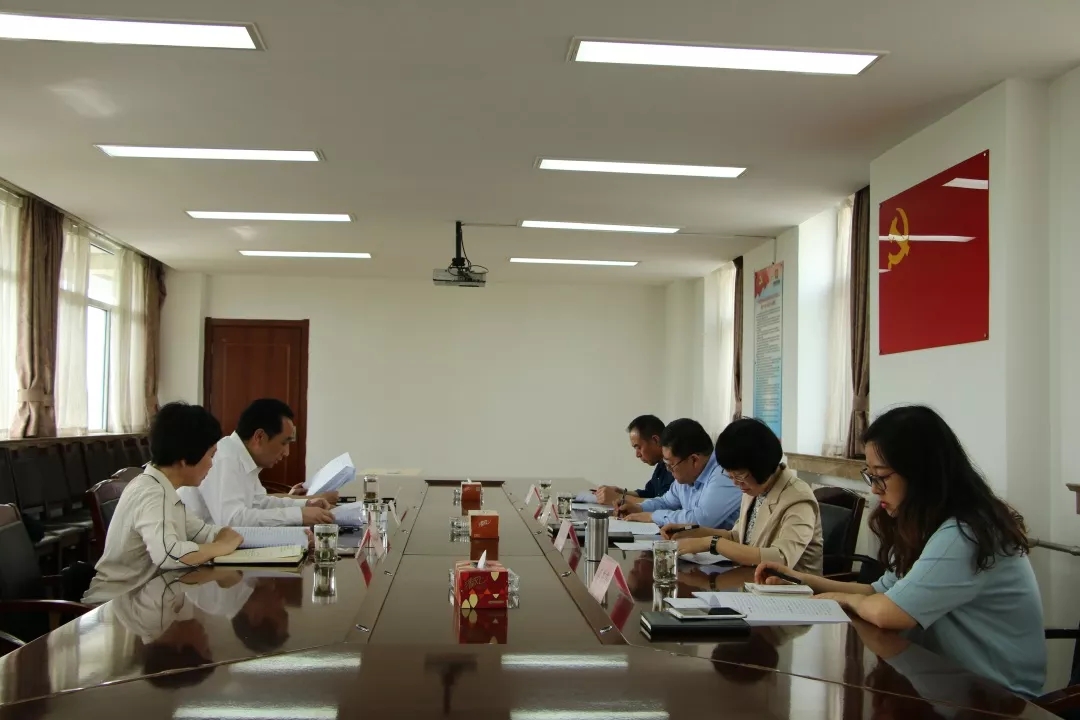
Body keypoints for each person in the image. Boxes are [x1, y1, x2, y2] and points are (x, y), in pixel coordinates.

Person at [755, 405, 1046, 698]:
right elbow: (878, 591)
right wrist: (801, 580)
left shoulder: (965, 533)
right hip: (944, 683)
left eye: (881, 476)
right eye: (870, 476)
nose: (874, 489)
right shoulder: (924, 525)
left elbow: (889, 612)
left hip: (998, 699)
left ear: (922, 475)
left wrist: (842, 599)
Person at [83, 403, 244, 603]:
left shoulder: (164, 488)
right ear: (185, 458)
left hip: (146, 602)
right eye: (211, 455)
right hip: (113, 608)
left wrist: (224, 536)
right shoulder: (151, 493)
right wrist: (221, 546)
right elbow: (170, 555)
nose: (212, 463)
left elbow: (202, 533)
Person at [660, 418, 823, 574]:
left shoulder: (798, 499)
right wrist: (690, 531)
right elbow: (737, 537)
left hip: (790, 589)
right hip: (752, 581)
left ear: (760, 466)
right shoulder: (754, 488)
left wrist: (712, 543)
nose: (735, 482)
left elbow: (780, 558)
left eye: (738, 476)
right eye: (730, 475)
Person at [179, 399, 335, 527]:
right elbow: (231, 520)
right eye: (283, 443)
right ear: (259, 437)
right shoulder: (225, 457)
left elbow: (259, 503)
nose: (286, 452)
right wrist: (298, 515)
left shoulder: (244, 457)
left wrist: (306, 505)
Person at [616, 418, 741, 530]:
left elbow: (701, 520)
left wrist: (652, 516)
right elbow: (666, 502)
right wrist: (639, 508)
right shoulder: (687, 475)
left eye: (671, 465)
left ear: (694, 460)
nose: (668, 470)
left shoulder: (724, 473)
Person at [594, 415, 675, 506]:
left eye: (638, 447)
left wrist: (619, 497)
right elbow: (649, 493)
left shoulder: (675, 467)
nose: (637, 454)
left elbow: (664, 504)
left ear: (655, 440)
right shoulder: (661, 465)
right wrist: (621, 492)